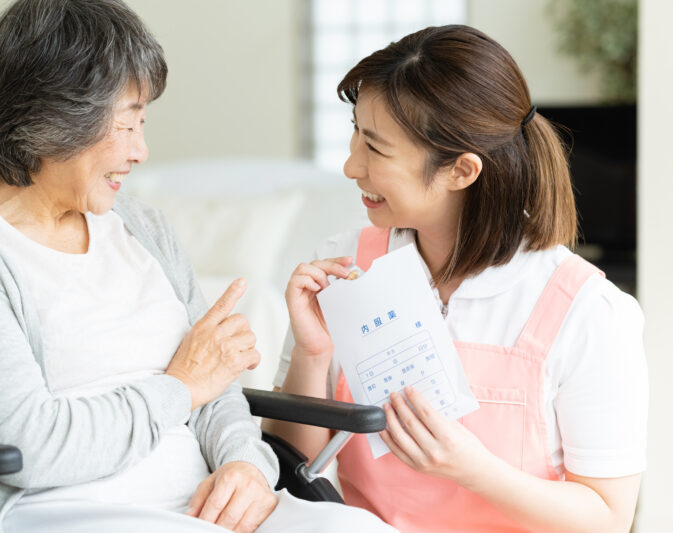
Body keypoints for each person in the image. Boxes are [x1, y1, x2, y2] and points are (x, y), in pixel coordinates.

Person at [0, 1, 396, 532]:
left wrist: (245, 466)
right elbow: (34, 443)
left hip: (208, 504)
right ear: (54, 117)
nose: (141, 150)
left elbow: (219, 391)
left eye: (144, 121)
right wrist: (181, 386)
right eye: (127, 123)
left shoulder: (145, 229)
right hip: (81, 512)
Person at [267, 25, 648, 533]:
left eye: (376, 149)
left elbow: (607, 518)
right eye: (355, 133)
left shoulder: (585, 310)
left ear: (461, 171)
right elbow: (293, 466)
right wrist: (313, 358)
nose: (350, 164)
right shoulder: (344, 265)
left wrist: (474, 471)